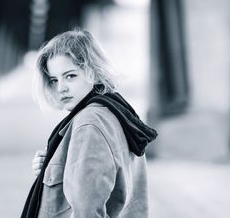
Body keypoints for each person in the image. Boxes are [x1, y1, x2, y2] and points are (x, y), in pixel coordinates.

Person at [21, 28, 157, 218]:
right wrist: (55, 166)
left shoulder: (90, 123)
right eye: (53, 79)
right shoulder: (114, 110)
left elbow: (87, 210)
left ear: (93, 71)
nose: (61, 88)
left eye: (70, 76)